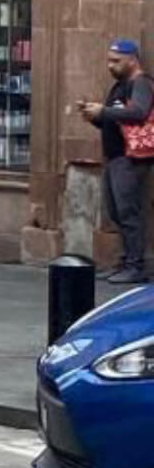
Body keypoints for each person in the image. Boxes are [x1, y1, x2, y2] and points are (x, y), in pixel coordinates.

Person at [79, 38, 154, 284]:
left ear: (132, 60)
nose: (110, 65)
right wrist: (93, 115)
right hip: (115, 157)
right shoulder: (119, 86)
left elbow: (139, 113)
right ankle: (125, 261)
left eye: (116, 61)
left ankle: (136, 265)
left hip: (130, 158)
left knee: (128, 212)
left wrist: (104, 111)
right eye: (109, 60)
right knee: (116, 211)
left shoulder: (140, 83)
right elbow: (112, 120)